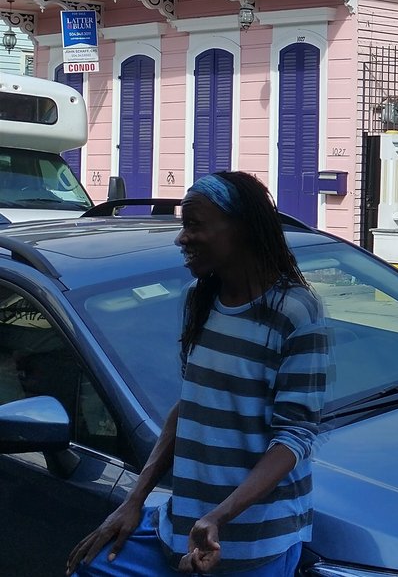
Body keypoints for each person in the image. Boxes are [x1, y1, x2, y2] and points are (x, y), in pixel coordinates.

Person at [67, 171, 329, 575]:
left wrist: (219, 517)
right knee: (90, 564)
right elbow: (190, 404)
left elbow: (294, 437)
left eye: (194, 225)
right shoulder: (200, 300)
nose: (181, 238)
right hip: (183, 528)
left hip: (255, 543)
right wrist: (135, 499)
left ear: (240, 229)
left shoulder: (295, 312)